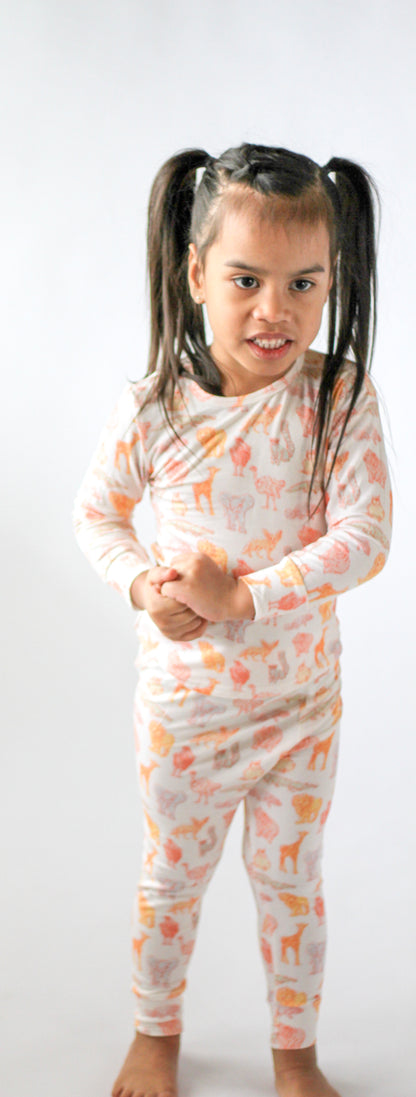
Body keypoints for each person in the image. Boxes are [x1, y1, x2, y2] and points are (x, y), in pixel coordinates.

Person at [73, 143, 392, 1097]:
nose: (276, 310)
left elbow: (367, 535)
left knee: (292, 886)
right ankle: (154, 1031)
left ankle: (294, 1053)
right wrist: (144, 588)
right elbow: (96, 513)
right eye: (247, 279)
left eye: (305, 283)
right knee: (171, 881)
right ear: (196, 271)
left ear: (334, 279)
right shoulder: (158, 409)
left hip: (301, 709)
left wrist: (247, 593)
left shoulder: (339, 397)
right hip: (188, 715)